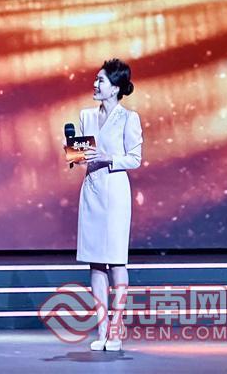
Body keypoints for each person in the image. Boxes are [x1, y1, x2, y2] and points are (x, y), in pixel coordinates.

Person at [76, 58, 143, 352]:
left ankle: (116, 328)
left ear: (115, 88)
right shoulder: (86, 116)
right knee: (95, 261)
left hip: (115, 192)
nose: (95, 84)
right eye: (96, 79)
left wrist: (108, 158)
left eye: (101, 80)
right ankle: (102, 328)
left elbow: (135, 158)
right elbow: (82, 157)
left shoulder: (129, 118)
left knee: (116, 260)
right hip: (92, 190)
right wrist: (75, 154)